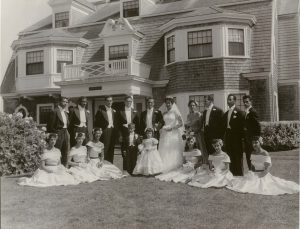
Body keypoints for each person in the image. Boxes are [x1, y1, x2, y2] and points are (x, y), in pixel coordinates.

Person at [227, 136, 299, 195]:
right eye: (253, 143)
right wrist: (251, 173)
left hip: (263, 174)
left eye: (256, 143)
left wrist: (259, 176)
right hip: (254, 173)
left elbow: (267, 168)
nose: (254, 145)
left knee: (259, 186)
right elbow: (252, 166)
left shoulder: (265, 153)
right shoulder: (252, 153)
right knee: (244, 183)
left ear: (260, 143)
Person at [158, 96, 184, 173]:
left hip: (173, 133)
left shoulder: (176, 112)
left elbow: (181, 123)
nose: (168, 104)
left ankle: (173, 165)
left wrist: (172, 128)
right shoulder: (164, 113)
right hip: (165, 132)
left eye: (169, 103)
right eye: (166, 103)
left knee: (172, 148)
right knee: (164, 148)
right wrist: (160, 127)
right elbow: (162, 123)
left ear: (172, 103)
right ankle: (164, 165)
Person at [222, 94, 245, 176]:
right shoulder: (226, 113)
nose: (228, 101)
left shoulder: (239, 112)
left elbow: (242, 127)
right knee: (229, 155)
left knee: (237, 156)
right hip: (228, 136)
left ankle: (239, 174)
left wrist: (241, 139)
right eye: (228, 99)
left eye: (230, 99)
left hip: (236, 137)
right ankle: (230, 174)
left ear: (234, 101)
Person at [118, 95, 140, 174]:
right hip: (124, 134)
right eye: (127, 101)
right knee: (125, 152)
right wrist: (120, 135)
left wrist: (137, 135)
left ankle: (133, 169)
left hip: (133, 134)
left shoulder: (135, 111)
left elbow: (138, 124)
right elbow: (118, 125)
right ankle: (125, 170)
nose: (129, 103)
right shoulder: (120, 112)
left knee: (133, 152)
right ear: (124, 102)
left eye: (130, 101)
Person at [47, 97, 70, 166]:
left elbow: (67, 123)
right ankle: (56, 165)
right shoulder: (54, 111)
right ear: (59, 102)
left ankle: (63, 167)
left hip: (65, 132)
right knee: (57, 150)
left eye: (66, 102)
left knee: (65, 150)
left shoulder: (65, 113)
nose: (65, 103)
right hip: (58, 132)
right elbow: (50, 125)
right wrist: (54, 134)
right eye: (64, 101)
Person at [94, 95, 118, 163]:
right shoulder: (100, 110)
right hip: (105, 131)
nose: (109, 102)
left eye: (110, 101)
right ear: (105, 101)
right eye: (108, 101)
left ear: (112, 101)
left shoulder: (114, 111)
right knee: (105, 149)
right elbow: (96, 123)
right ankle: (103, 164)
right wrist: (99, 131)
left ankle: (110, 165)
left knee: (111, 149)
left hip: (112, 131)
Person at [242, 95, 261, 170]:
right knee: (248, 156)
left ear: (250, 102)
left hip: (252, 139)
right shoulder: (246, 112)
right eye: (244, 102)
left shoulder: (253, 112)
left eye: (247, 102)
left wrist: (256, 139)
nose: (245, 103)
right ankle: (251, 171)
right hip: (247, 139)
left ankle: (255, 172)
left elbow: (258, 126)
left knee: (253, 156)